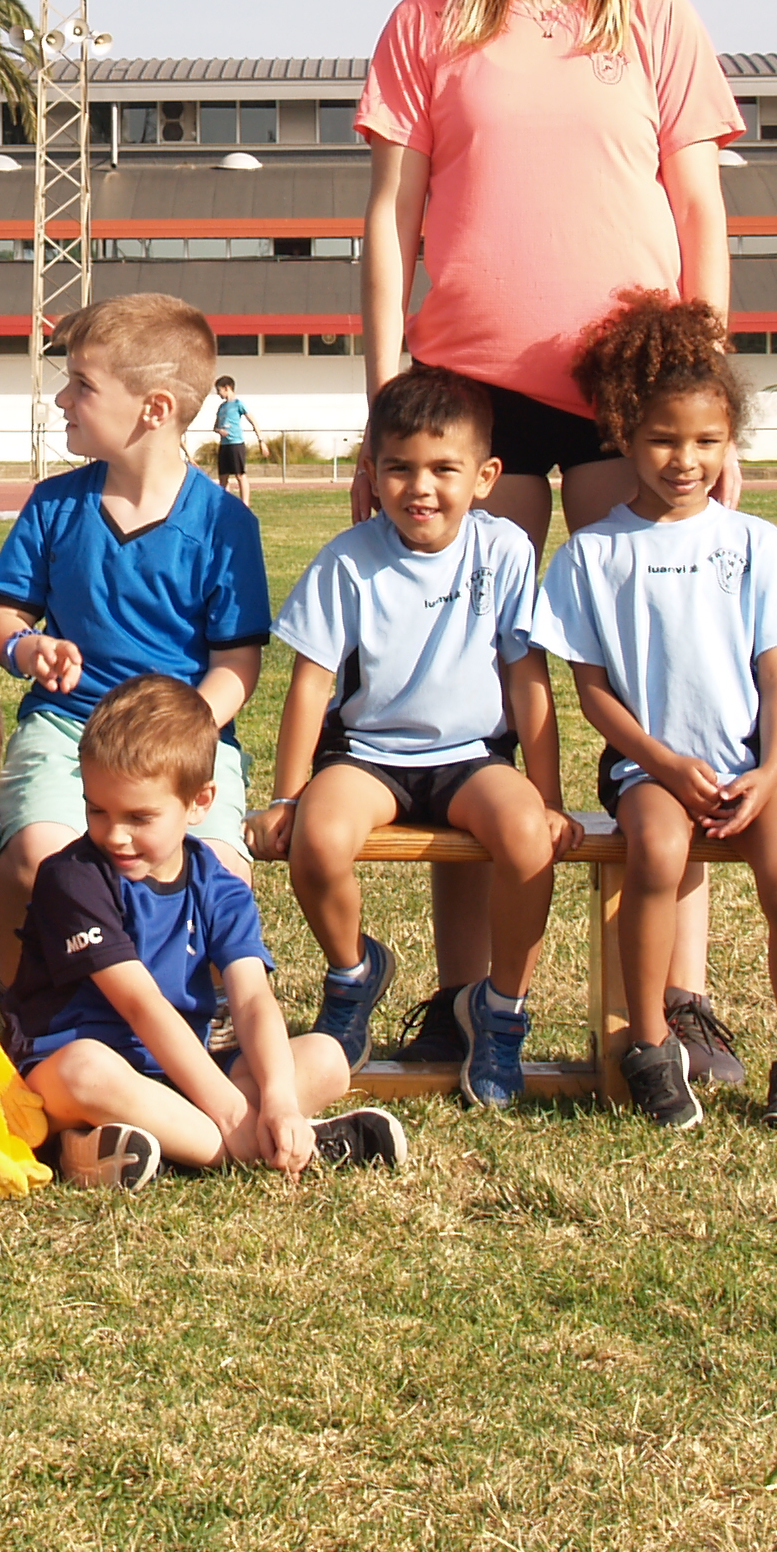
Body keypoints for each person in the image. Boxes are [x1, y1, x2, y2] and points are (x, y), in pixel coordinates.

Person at [354, 0, 749, 1076]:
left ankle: (674, 998)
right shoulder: (428, 25)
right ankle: (466, 994)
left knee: (656, 679)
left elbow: (701, 216)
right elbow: (389, 224)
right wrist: (384, 410)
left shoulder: (658, 19)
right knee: (468, 688)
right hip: (472, 394)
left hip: (633, 392)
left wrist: (707, 401)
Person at [538, 289, 777, 1132]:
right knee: (658, 856)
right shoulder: (594, 553)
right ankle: (651, 1044)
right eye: (664, 440)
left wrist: (769, 771)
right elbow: (593, 693)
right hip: (649, 770)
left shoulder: (755, 542)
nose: (684, 460)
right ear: (624, 436)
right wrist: (663, 763)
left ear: (730, 441)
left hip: (755, 767)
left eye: (707, 441)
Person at [245, 364, 571, 1110]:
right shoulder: (348, 559)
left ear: (485, 477)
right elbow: (311, 685)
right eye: (399, 468)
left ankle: (500, 1010)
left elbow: (528, 679)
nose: (420, 488)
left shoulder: (506, 551)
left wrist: (549, 798)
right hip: (368, 756)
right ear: (372, 473)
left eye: (443, 469)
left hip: (472, 757)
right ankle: (353, 974)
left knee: (528, 838)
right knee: (317, 838)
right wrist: (287, 796)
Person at [14, 675, 409, 1186]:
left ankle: (138, 1147)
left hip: (187, 1075)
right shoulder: (72, 878)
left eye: (139, 817)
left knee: (327, 1057)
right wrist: (232, 1114)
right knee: (85, 1070)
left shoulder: (218, 885)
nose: (114, 834)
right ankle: (272, 1147)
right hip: (76, 1076)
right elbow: (142, 1006)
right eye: (97, 810)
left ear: (200, 802)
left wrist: (280, 1101)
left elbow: (251, 1000)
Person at [0, 296, 268, 985]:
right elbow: (1, 618)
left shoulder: (223, 524)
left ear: (154, 408)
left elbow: (237, 663)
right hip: (68, 728)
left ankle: (201, 1012)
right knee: (36, 860)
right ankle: (18, 1007)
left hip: (181, 742)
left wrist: (184, 728)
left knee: (219, 871)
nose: (62, 399)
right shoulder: (55, 504)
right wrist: (25, 649)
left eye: (82, 384)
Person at [207, 376, 259, 503]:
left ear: (227, 388)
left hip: (236, 444)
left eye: (219, 390)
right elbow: (215, 426)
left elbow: (253, 421)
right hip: (224, 445)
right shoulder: (221, 407)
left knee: (240, 475)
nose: (218, 393)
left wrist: (261, 440)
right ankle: (225, 504)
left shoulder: (238, 404)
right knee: (223, 477)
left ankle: (245, 505)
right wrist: (219, 430)